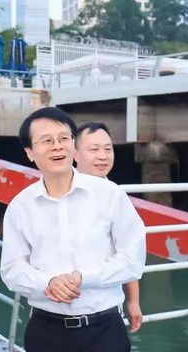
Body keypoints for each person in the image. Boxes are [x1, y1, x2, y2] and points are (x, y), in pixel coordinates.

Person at [0, 107, 146, 352]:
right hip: (47, 334)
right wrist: (47, 283)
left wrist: (83, 278)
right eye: (46, 141)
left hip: (103, 332)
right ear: (30, 152)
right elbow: (12, 269)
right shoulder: (20, 206)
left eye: (63, 138)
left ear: (73, 146)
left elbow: (132, 259)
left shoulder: (109, 195)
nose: (57, 146)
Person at [74, 122, 143, 333]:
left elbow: (128, 250)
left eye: (108, 149)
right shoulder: (60, 193)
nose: (102, 156)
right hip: (61, 308)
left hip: (107, 308)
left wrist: (133, 301)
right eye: (94, 150)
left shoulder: (115, 195)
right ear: (75, 154)